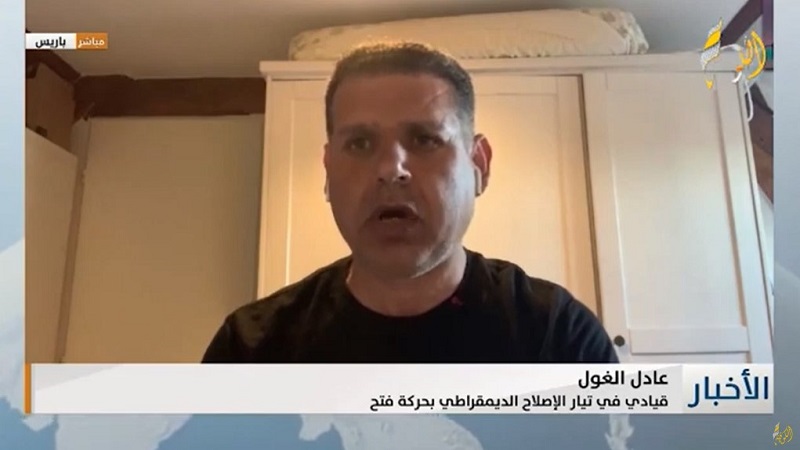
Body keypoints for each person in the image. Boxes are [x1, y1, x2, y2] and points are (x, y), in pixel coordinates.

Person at [202, 42, 619, 363]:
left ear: (478, 165)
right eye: (360, 143)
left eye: (424, 139)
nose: (391, 169)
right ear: (328, 172)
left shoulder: (558, 336)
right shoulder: (250, 350)